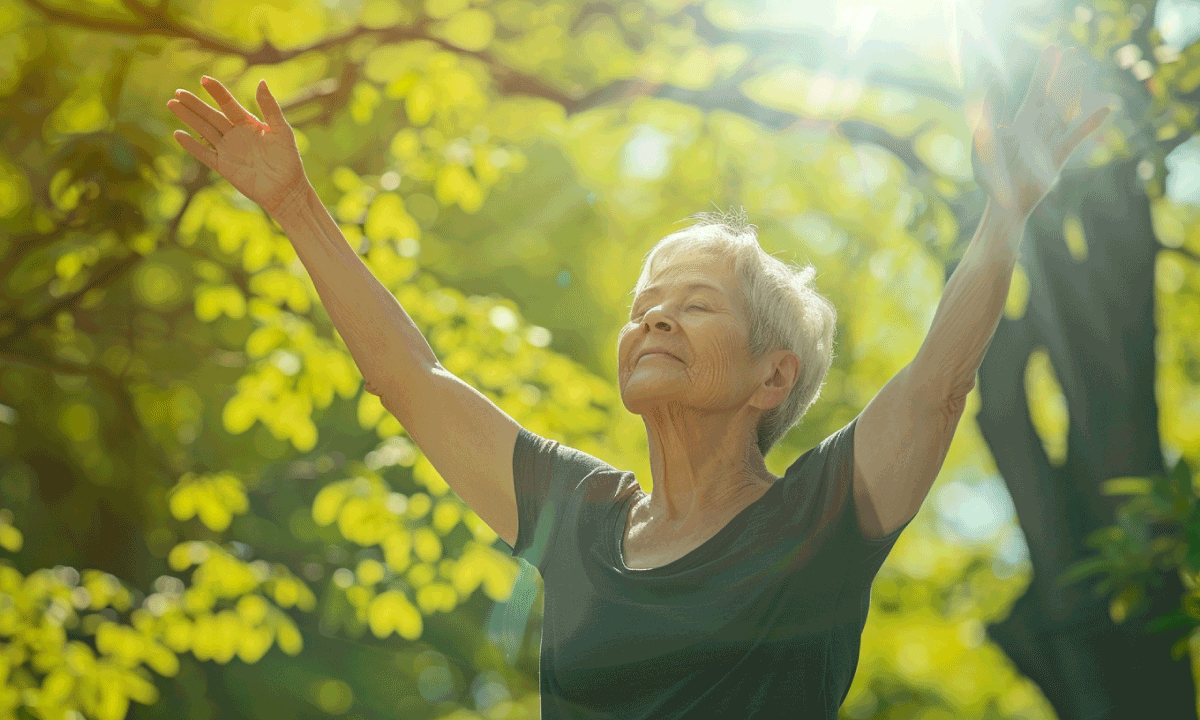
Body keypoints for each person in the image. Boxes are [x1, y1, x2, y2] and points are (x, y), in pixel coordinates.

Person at [166, 47, 1110, 717]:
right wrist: (293, 206)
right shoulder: (578, 515)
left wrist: (1005, 208)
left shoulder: (819, 520)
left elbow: (939, 383)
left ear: (769, 376)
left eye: (696, 304)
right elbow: (412, 378)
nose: (653, 317)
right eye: (645, 302)